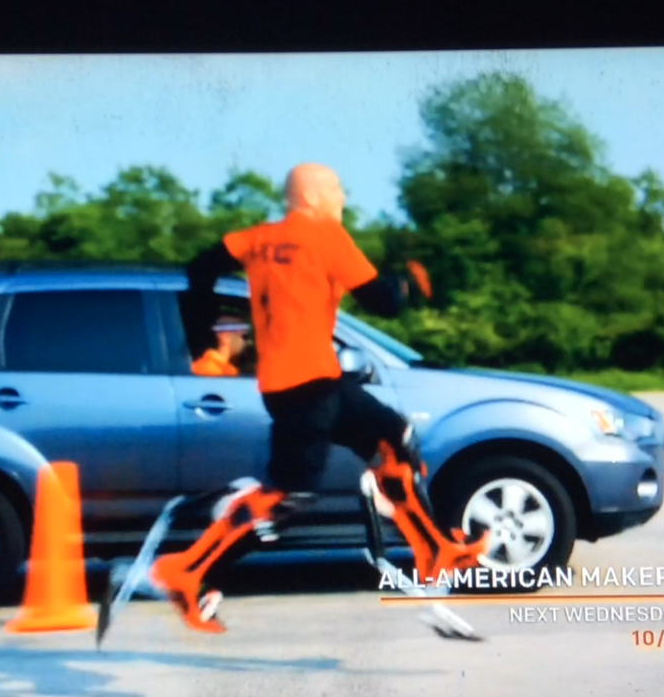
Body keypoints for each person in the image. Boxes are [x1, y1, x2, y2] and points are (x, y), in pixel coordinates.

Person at [149, 162, 491, 632]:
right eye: (336, 189)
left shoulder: (255, 238)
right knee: (287, 498)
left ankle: (435, 550)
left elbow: (200, 268)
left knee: (394, 436)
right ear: (309, 197)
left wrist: (202, 341)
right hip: (309, 387)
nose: (342, 199)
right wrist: (407, 280)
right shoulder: (326, 236)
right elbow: (382, 302)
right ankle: (188, 570)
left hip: (303, 383)